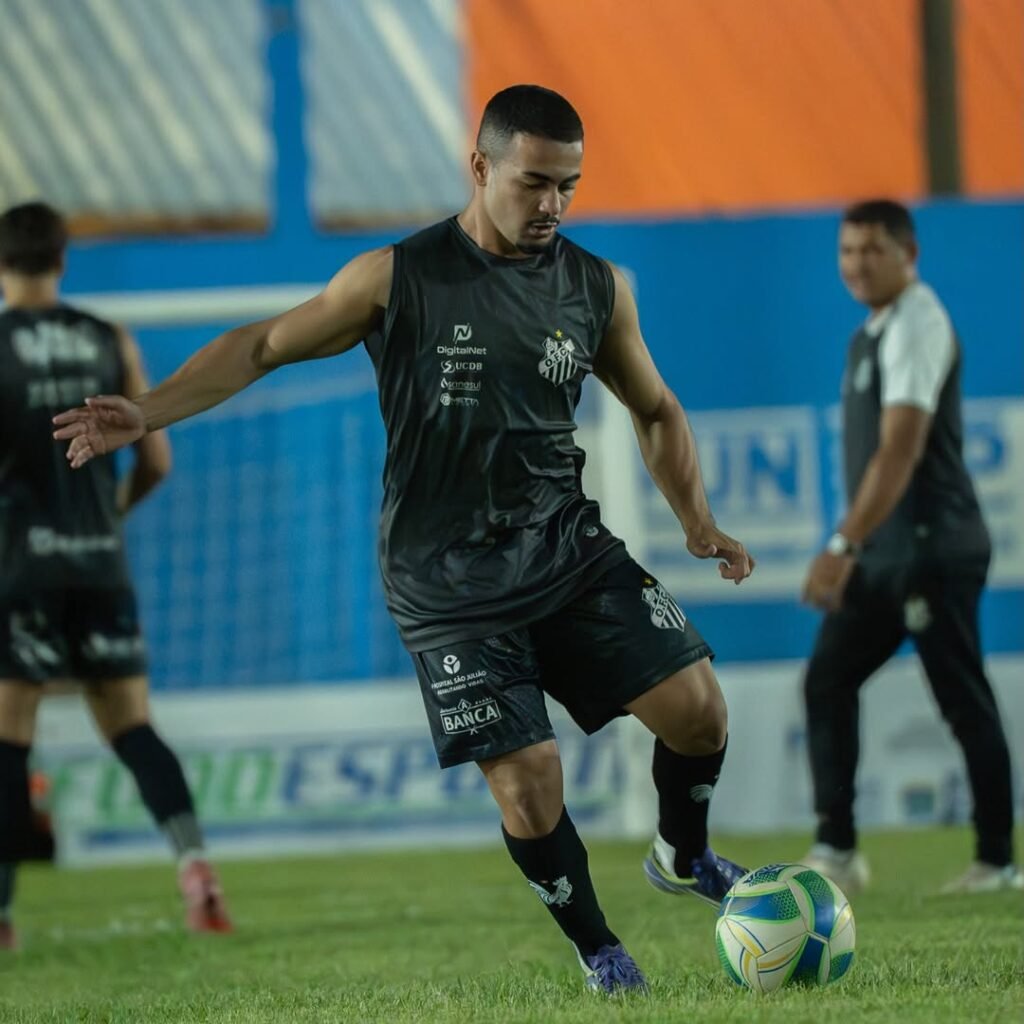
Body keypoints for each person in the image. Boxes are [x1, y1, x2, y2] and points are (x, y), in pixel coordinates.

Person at [53, 86, 754, 993]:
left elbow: (656, 409)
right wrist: (148, 411)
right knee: (529, 780)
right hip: (445, 580)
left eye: (568, 187)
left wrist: (696, 521)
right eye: (534, 183)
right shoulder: (396, 277)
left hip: (565, 549)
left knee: (700, 711)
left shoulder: (596, 287)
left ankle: (683, 855)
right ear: (481, 167)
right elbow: (263, 345)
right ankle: (601, 952)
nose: (552, 204)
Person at [0, 201, 232, 951]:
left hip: (19, 569)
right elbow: (155, 460)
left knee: (8, 738)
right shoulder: (110, 339)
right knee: (132, 727)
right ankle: (196, 869)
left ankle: (1, 915)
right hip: (100, 563)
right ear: (62, 259)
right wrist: (111, 515)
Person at [800, 199, 1022, 896]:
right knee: (828, 679)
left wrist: (842, 542)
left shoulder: (919, 321)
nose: (857, 264)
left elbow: (900, 448)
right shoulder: (871, 334)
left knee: (962, 698)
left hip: (933, 548)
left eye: (873, 250)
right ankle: (837, 850)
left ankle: (996, 862)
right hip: (887, 553)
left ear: (909, 255)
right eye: (847, 251)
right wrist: (860, 547)